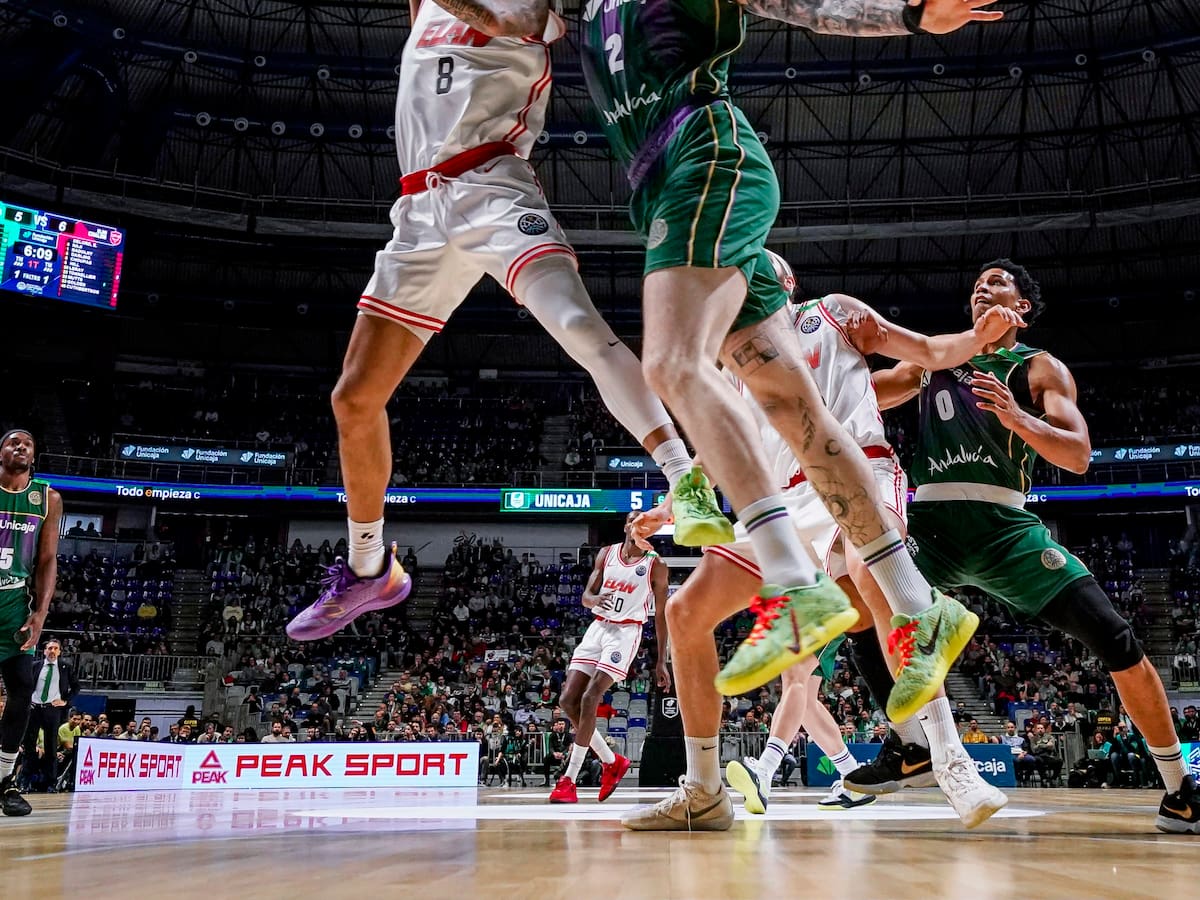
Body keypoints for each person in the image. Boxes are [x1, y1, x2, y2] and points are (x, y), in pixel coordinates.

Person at [578, 0, 1008, 728]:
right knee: (784, 403)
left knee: (673, 364)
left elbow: (794, 4)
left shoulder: (835, 312)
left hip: (703, 157)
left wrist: (905, 15)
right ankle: (921, 608)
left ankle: (913, 717)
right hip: (662, 182)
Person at [285, 0, 725, 643]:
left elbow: (504, 22)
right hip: (418, 210)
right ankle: (369, 565)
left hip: (492, 186)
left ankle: (683, 476)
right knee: (353, 398)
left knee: (581, 328)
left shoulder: (531, 7)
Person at [621, 258, 1010, 831]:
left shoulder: (833, 313)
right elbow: (714, 450)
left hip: (858, 472)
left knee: (876, 580)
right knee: (685, 612)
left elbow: (927, 351)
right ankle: (703, 791)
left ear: (782, 283)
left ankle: (952, 760)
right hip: (780, 503)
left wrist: (978, 337)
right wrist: (668, 505)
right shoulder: (732, 361)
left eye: (751, 269)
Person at [870, 258, 1199, 834]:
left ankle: (1178, 791)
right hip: (932, 525)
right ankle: (910, 746)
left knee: (1115, 638)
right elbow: (861, 393)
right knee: (855, 601)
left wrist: (1017, 416)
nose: (982, 288)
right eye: (977, 284)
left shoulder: (1038, 366)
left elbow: (1077, 454)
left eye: (996, 283)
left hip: (1006, 526)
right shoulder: (936, 358)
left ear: (1020, 307)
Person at [551, 513, 669, 804]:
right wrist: (592, 600)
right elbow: (586, 596)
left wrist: (661, 661)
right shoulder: (607, 554)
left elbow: (662, 615)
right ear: (627, 526)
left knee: (591, 697)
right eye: (633, 520)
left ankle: (568, 780)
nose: (638, 525)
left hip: (625, 633)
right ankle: (611, 761)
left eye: (645, 522)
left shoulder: (655, 564)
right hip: (598, 628)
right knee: (567, 701)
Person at [0, 429, 62, 816]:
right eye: (12, 442)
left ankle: (5, 781)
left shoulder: (47, 498)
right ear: (1, 453)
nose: (20, 446)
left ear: (34, 456)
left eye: (28, 444)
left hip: (13, 608)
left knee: (22, 691)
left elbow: (47, 559)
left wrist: (40, 612)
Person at [23, 638, 78, 792]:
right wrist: (27, 700)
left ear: (59, 651)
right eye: (49, 648)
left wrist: (65, 702)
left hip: (52, 709)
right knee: (29, 746)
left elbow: (76, 687)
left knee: (51, 747)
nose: (52, 651)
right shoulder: (35, 666)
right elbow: (26, 685)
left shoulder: (65, 667)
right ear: (44, 651)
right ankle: (25, 780)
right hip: (34, 708)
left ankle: (51, 783)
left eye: (55, 648)